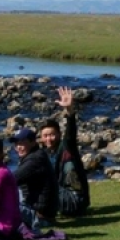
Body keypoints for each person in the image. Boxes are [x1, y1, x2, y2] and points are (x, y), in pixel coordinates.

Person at [40, 86, 91, 219]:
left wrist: (69, 111)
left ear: (59, 134)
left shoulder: (67, 148)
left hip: (74, 198)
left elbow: (70, 135)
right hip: (61, 197)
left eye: (52, 135)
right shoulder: (44, 154)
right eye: (45, 136)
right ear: (41, 138)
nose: (48, 139)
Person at [10, 127, 58, 231]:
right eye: (16, 143)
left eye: (22, 143)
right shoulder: (35, 155)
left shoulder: (35, 160)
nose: (18, 147)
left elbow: (11, 180)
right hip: (40, 212)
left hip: (39, 217)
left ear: (33, 142)